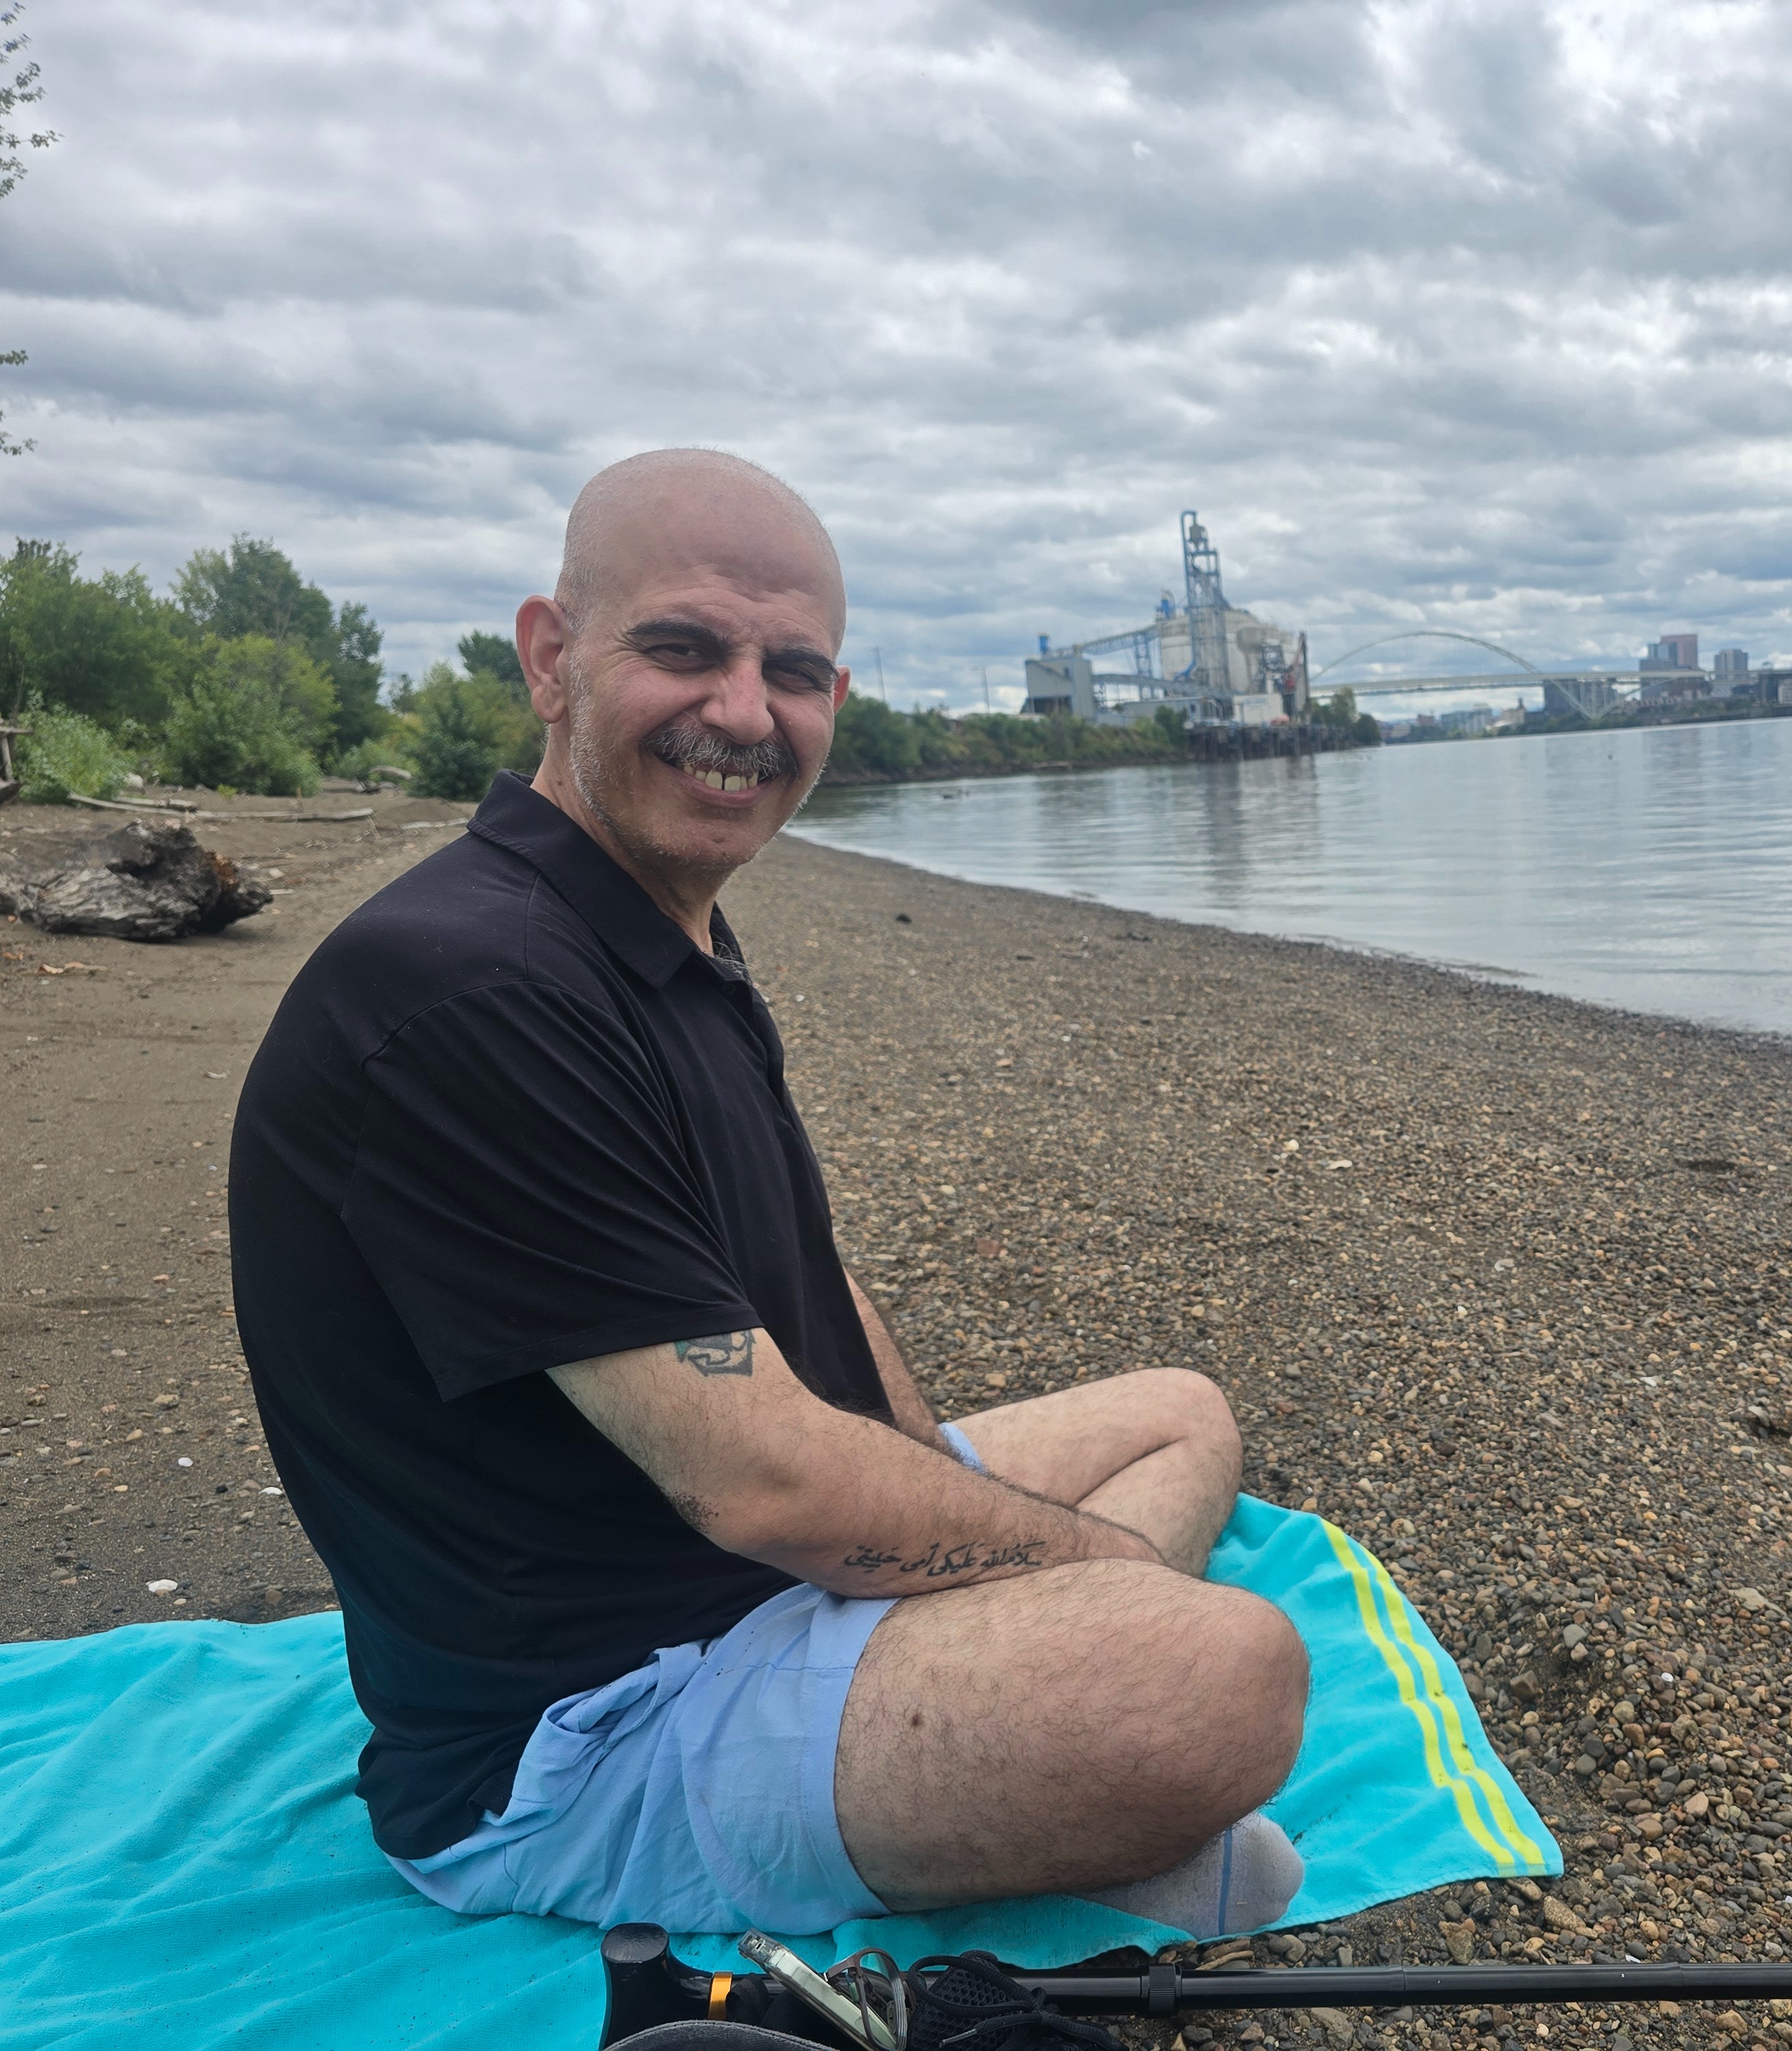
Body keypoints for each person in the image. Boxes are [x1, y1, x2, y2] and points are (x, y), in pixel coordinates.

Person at [229, 449, 1309, 1938]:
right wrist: (1093, 1580)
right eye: (683, 649)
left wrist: (929, 1482)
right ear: (550, 658)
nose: (743, 714)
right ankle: (1016, 1764)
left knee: (1182, 1412)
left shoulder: (653, 934)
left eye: (790, 671)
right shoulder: (473, 988)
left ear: (834, 699)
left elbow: (802, 1269)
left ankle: (1000, 1756)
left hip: (750, 1578)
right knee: (1219, 1671)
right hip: (587, 1724)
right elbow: (758, 1484)